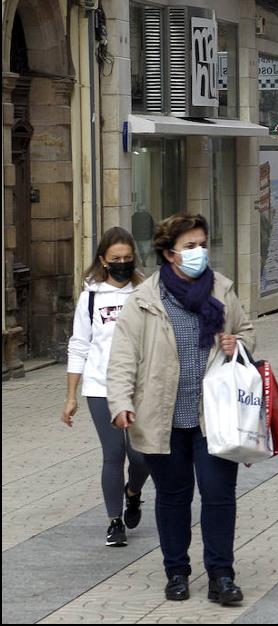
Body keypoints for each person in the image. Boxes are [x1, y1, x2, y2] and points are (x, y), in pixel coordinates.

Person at [107, 212, 255, 605]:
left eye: (203, 243)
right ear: (170, 253)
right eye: (190, 246)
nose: (199, 252)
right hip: (163, 416)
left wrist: (235, 345)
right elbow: (123, 358)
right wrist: (120, 402)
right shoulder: (144, 300)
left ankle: (221, 575)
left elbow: (246, 331)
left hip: (215, 417)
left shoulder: (221, 289)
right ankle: (177, 572)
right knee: (174, 497)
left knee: (219, 494)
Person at [63, 227, 149, 547]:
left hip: (140, 387)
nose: (123, 263)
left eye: (128, 258)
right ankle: (115, 521)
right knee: (113, 453)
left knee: (141, 457)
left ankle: (133, 492)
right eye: (116, 259)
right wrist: (71, 395)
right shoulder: (91, 298)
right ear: (103, 260)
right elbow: (79, 345)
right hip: (100, 386)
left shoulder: (146, 293)